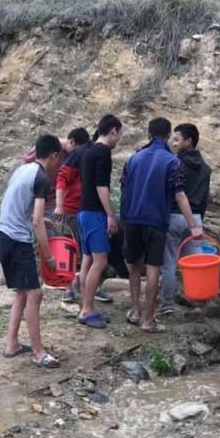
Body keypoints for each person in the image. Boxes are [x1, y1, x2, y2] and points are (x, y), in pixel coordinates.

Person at [120, 117, 200, 333]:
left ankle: (135, 312)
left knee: (134, 266)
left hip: (132, 219)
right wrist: (193, 226)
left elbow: (124, 189)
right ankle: (148, 320)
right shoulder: (173, 162)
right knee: (154, 268)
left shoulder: (133, 159)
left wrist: (123, 218)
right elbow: (180, 195)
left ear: (148, 134)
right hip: (156, 221)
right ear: (167, 136)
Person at [0, 134, 64, 368]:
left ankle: (12, 344)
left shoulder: (22, 170)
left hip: (4, 235)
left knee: (22, 292)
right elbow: (36, 221)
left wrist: (40, 221)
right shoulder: (42, 178)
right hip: (17, 240)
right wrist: (49, 257)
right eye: (59, 158)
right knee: (35, 293)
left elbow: (19, 207)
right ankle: (38, 352)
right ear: (54, 155)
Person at [77, 114, 123, 329]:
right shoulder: (103, 152)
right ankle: (87, 310)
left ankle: (86, 307)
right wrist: (111, 215)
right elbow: (101, 186)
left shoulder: (88, 150)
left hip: (83, 211)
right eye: (119, 134)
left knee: (87, 260)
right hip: (95, 213)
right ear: (113, 130)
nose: (119, 139)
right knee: (100, 261)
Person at [161, 123, 210, 314]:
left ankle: (167, 305)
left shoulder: (174, 163)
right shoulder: (205, 169)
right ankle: (197, 301)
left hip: (174, 216)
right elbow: (204, 199)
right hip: (195, 220)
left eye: (177, 139)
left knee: (169, 263)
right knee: (194, 265)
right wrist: (197, 223)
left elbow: (171, 193)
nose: (173, 143)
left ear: (188, 141)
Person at [54, 128, 92, 304]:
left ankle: (82, 285)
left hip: (81, 209)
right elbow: (61, 180)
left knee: (82, 251)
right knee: (70, 250)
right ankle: (69, 287)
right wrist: (59, 206)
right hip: (71, 210)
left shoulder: (79, 154)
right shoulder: (76, 156)